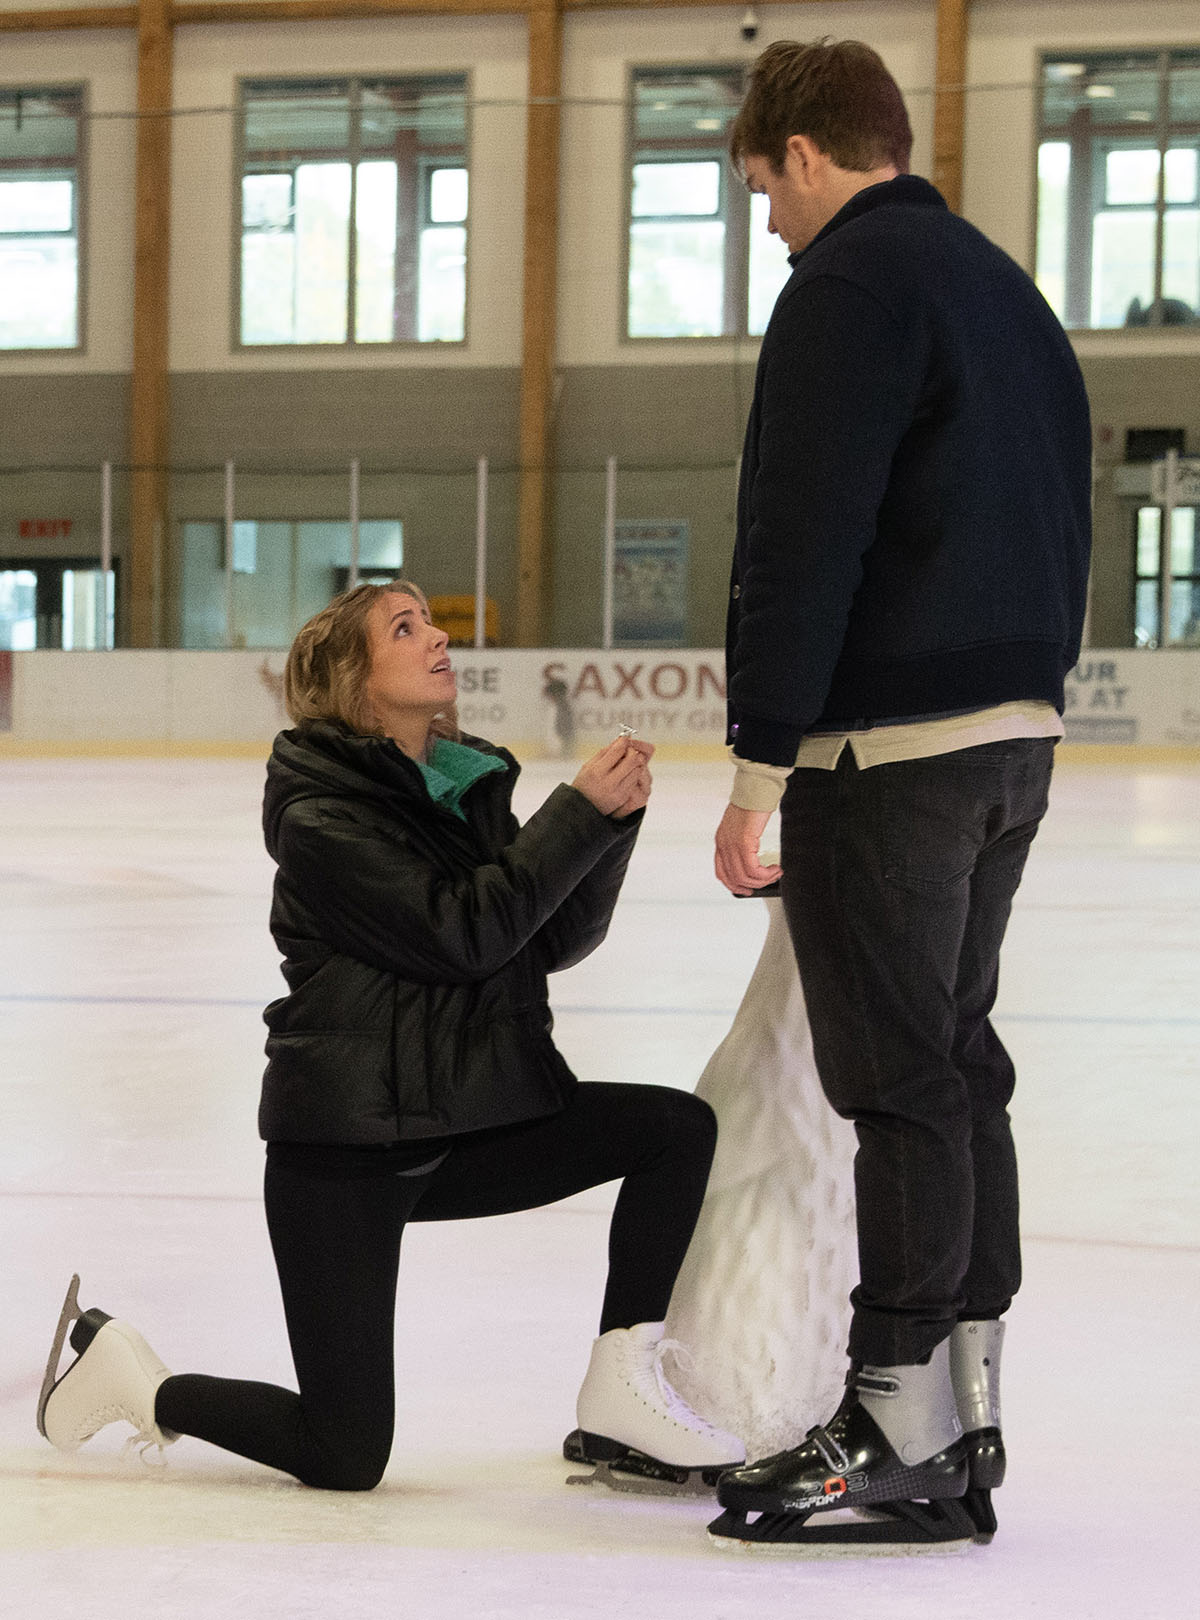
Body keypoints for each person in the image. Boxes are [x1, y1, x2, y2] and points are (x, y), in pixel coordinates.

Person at [38, 579, 744, 1494]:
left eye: (430, 622)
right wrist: (574, 815)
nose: (438, 637)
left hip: (457, 1122)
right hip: (347, 1151)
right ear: (355, 682)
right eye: (405, 629)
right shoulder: (321, 820)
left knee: (673, 1131)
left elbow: (545, 941)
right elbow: (463, 933)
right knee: (345, 1451)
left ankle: (622, 1386)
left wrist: (608, 828)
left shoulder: (460, 791)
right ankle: (139, 1382)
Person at [708, 40, 1092, 1553]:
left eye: (763, 189)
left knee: (903, 1082)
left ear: (806, 154)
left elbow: (803, 532)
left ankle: (891, 1423)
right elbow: (1061, 512)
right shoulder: (1004, 289)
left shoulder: (850, 286)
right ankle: (960, 1408)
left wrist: (762, 761)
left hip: (889, 751)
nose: (770, 224)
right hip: (1012, 740)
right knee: (958, 1061)